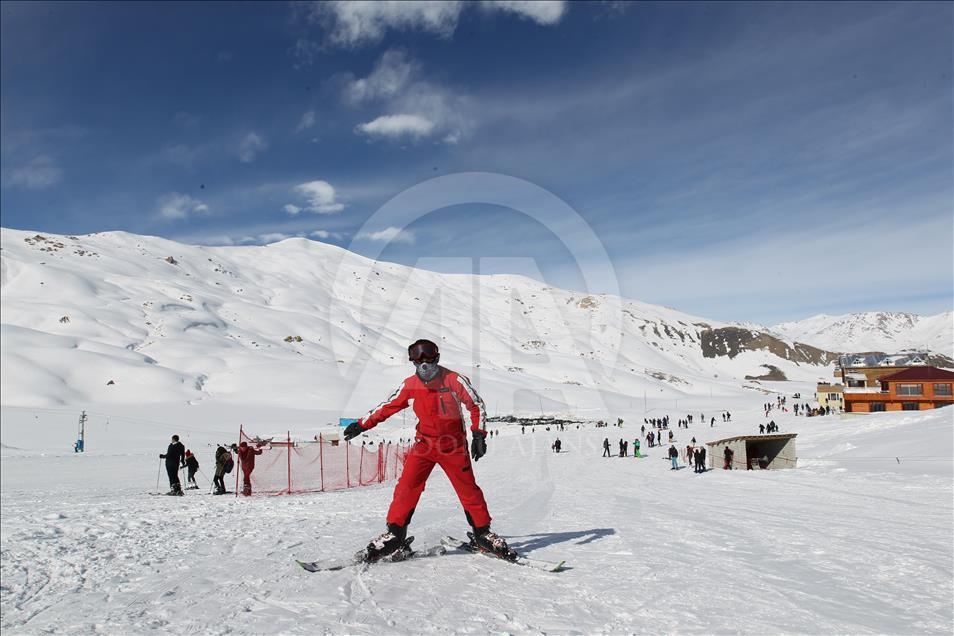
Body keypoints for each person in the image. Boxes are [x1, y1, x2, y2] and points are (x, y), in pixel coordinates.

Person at [342, 339, 514, 561]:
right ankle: (395, 536)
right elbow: (388, 406)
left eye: (429, 361)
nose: (424, 366)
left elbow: (476, 405)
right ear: (413, 363)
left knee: (468, 490)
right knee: (407, 487)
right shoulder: (410, 384)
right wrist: (362, 424)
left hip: (453, 446)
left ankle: (482, 534)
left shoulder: (454, 380)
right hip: (424, 445)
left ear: (437, 359)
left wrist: (478, 434)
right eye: (418, 362)